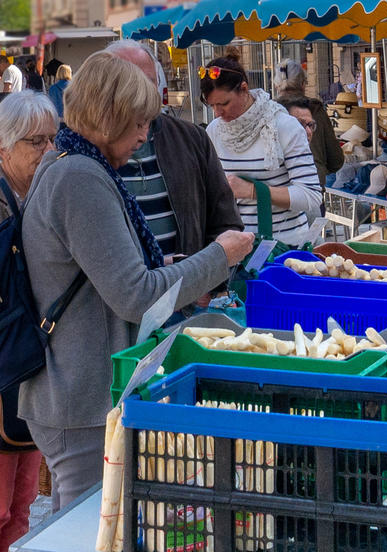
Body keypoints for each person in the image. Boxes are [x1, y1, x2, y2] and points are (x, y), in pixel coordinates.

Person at [19, 52, 254, 511]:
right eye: (139, 122)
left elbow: (107, 275)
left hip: (77, 390)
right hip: (81, 396)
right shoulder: (79, 177)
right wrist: (217, 258)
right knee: (90, 526)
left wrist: (170, 264)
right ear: (108, 118)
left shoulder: (73, 164)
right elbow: (136, 296)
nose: (146, 135)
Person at [104, 40, 243, 266]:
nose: (140, 91)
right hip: (120, 296)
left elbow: (224, 220)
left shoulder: (191, 138)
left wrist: (211, 282)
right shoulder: (89, 150)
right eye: (129, 82)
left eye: (147, 81)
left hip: (188, 293)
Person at [0, 90, 58, 552]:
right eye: (35, 141)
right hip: (5, 372)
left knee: (19, 508)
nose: (47, 152)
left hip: (22, 371)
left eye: (52, 140)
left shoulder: (26, 196)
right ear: (4, 146)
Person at [201, 52, 322, 245]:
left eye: (224, 103)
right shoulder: (214, 131)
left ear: (244, 89)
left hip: (284, 247)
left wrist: (253, 191)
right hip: (234, 247)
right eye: (212, 105)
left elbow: (311, 196)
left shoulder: (284, 126)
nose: (218, 113)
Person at [274, 59, 344, 189]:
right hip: (312, 186)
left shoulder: (269, 113)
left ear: (276, 86)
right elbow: (336, 160)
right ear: (303, 84)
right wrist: (319, 167)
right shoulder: (316, 111)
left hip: (276, 191)